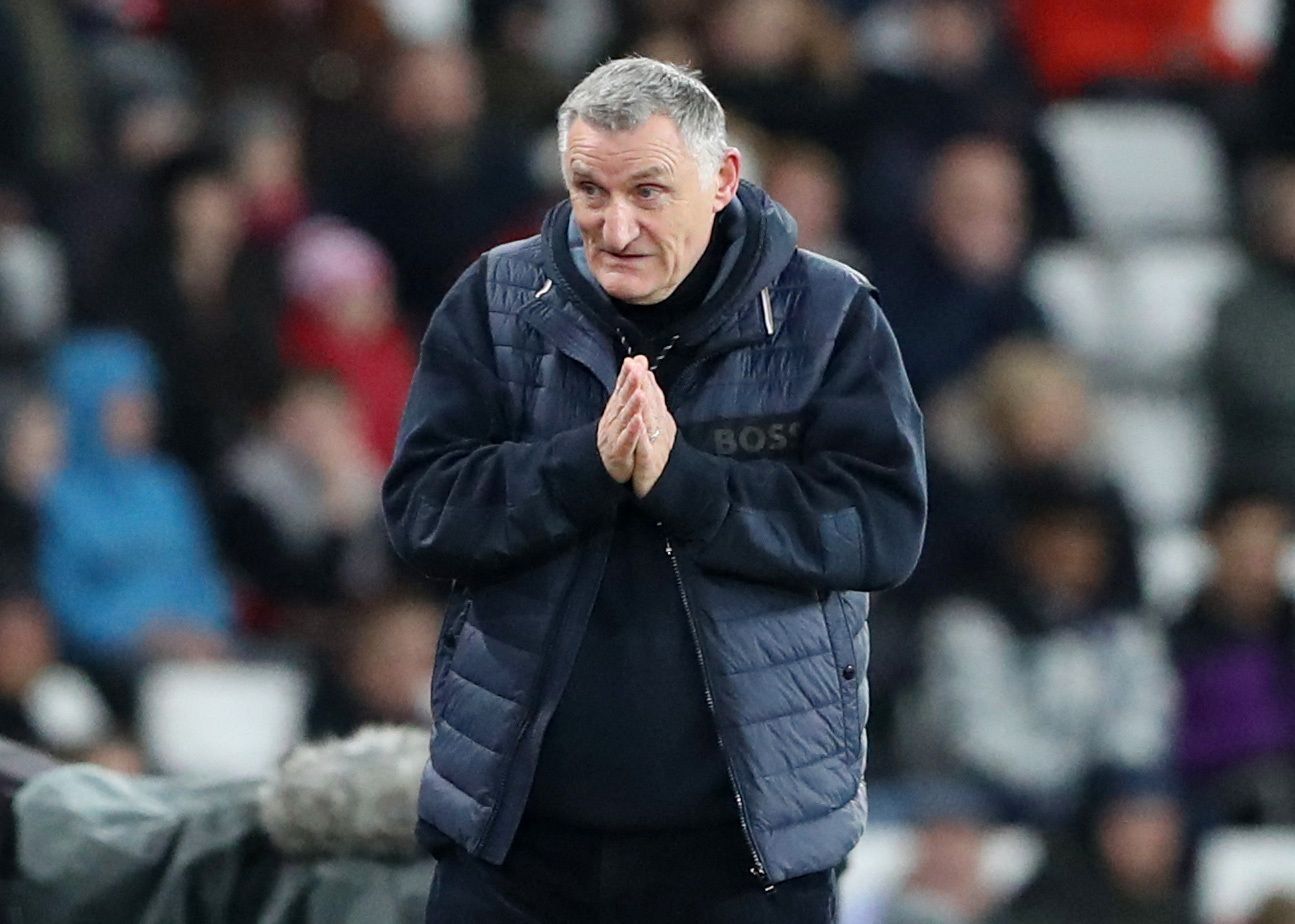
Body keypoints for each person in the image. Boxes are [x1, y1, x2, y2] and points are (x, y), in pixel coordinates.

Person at [382, 57, 927, 923]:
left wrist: (685, 484)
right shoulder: (492, 300)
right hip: (515, 853)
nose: (616, 226)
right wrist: (582, 469)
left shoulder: (829, 317)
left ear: (721, 180)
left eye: (647, 190)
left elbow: (879, 530)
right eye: (589, 190)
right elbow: (422, 513)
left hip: (745, 860)